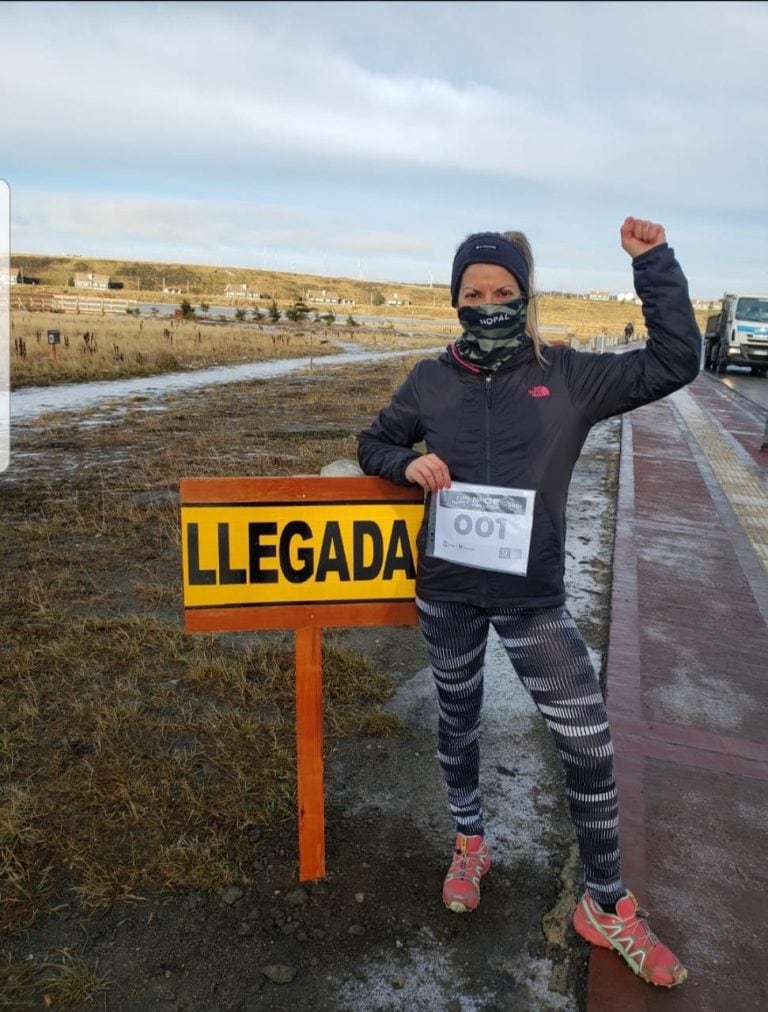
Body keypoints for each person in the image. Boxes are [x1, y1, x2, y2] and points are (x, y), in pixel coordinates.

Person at [356, 217, 700, 989]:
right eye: (472, 293)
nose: (487, 303)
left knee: (587, 740)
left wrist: (655, 265)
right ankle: (470, 842)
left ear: (525, 296)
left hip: (530, 599)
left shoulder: (570, 376)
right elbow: (372, 442)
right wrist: (407, 463)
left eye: (502, 291)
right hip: (446, 591)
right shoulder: (428, 379)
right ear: (455, 301)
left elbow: (678, 359)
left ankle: (606, 905)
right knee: (457, 719)